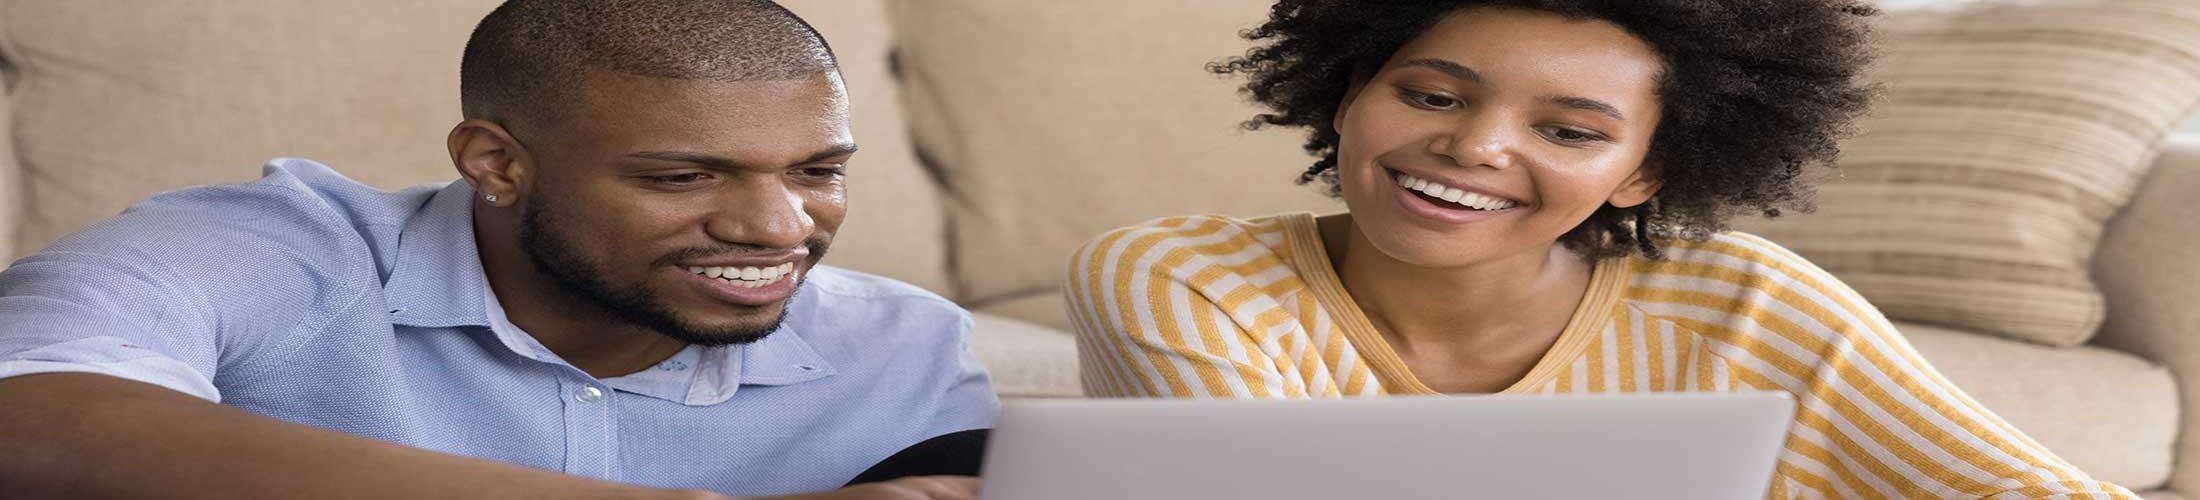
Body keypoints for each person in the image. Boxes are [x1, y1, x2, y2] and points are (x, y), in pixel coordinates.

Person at [1064, 1, 2134, 498]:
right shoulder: (1179, 279)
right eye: (1430, 94)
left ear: (1645, 173)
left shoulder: (1748, 301)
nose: (1473, 146)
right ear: (1347, 94)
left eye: (1567, 131)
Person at [0, 1, 994, 499]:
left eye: (817, 170)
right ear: (496, 163)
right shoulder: (260, 249)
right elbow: (27, 413)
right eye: (680, 177)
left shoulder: (907, 354)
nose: (778, 228)